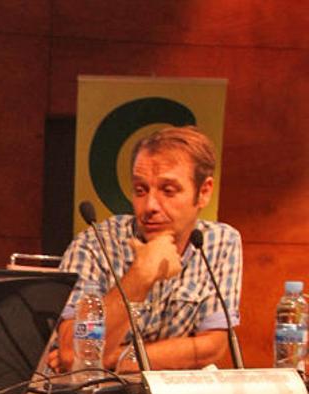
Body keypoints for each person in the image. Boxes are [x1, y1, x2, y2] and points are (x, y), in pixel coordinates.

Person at [51, 126, 242, 372]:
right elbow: (71, 353)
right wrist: (141, 276)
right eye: (141, 190)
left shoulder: (219, 242)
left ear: (203, 192)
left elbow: (211, 347)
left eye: (168, 190)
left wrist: (110, 358)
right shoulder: (95, 243)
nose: (150, 205)